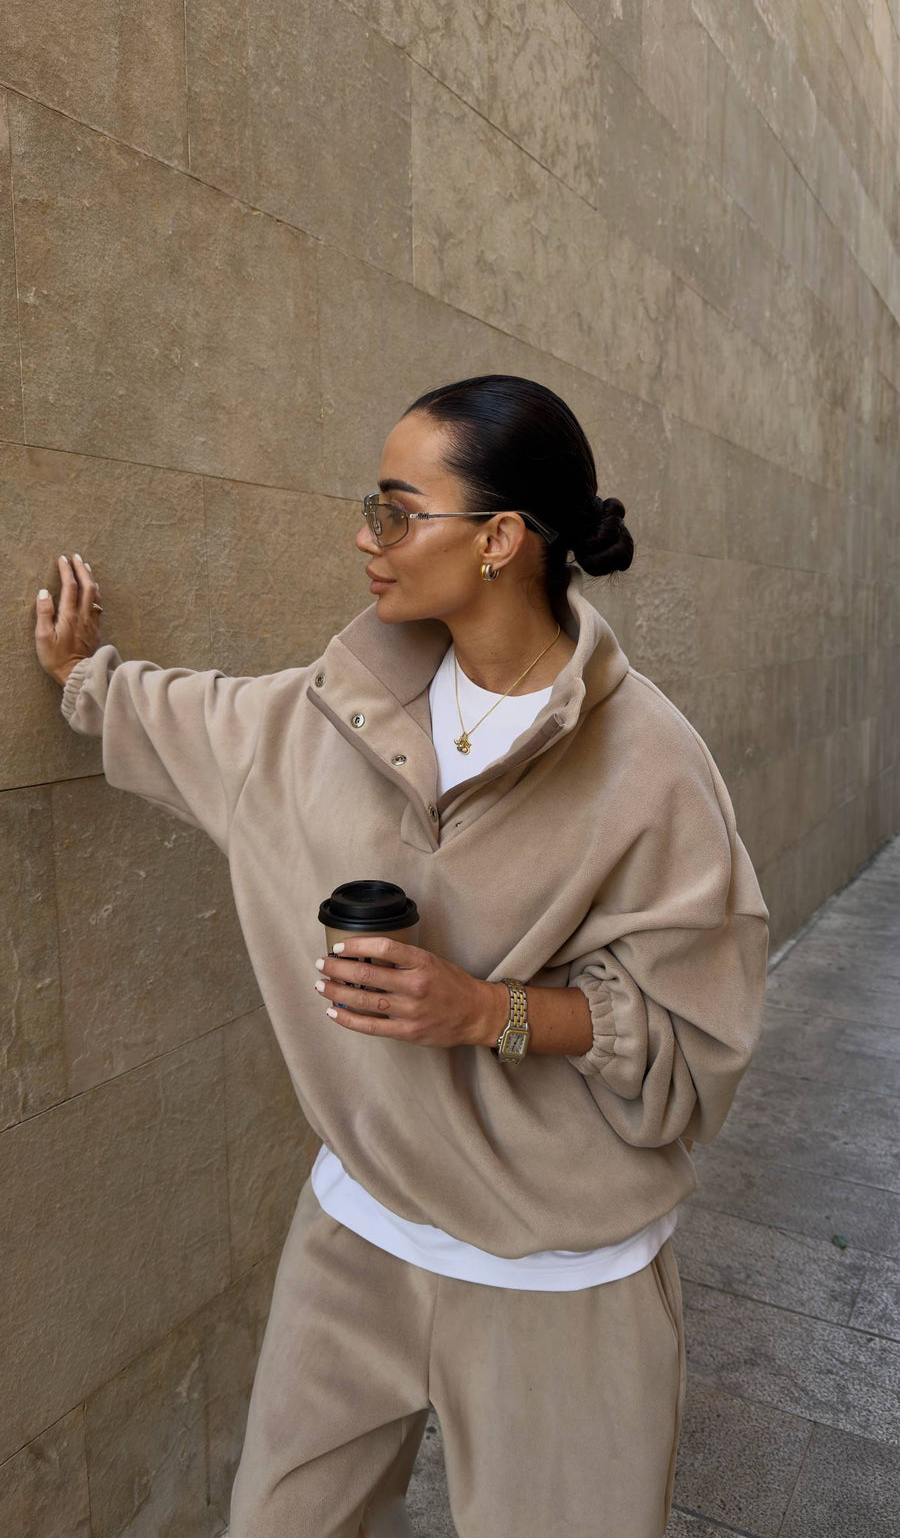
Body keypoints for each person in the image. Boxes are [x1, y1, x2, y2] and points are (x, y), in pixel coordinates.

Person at [35, 373, 770, 1538]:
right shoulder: (339, 707)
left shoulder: (652, 767)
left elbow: (693, 1033)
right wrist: (88, 678)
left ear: (500, 541)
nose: (363, 536)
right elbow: (209, 726)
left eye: (393, 510)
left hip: (557, 1278)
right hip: (358, 1229)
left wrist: (489, 1011)